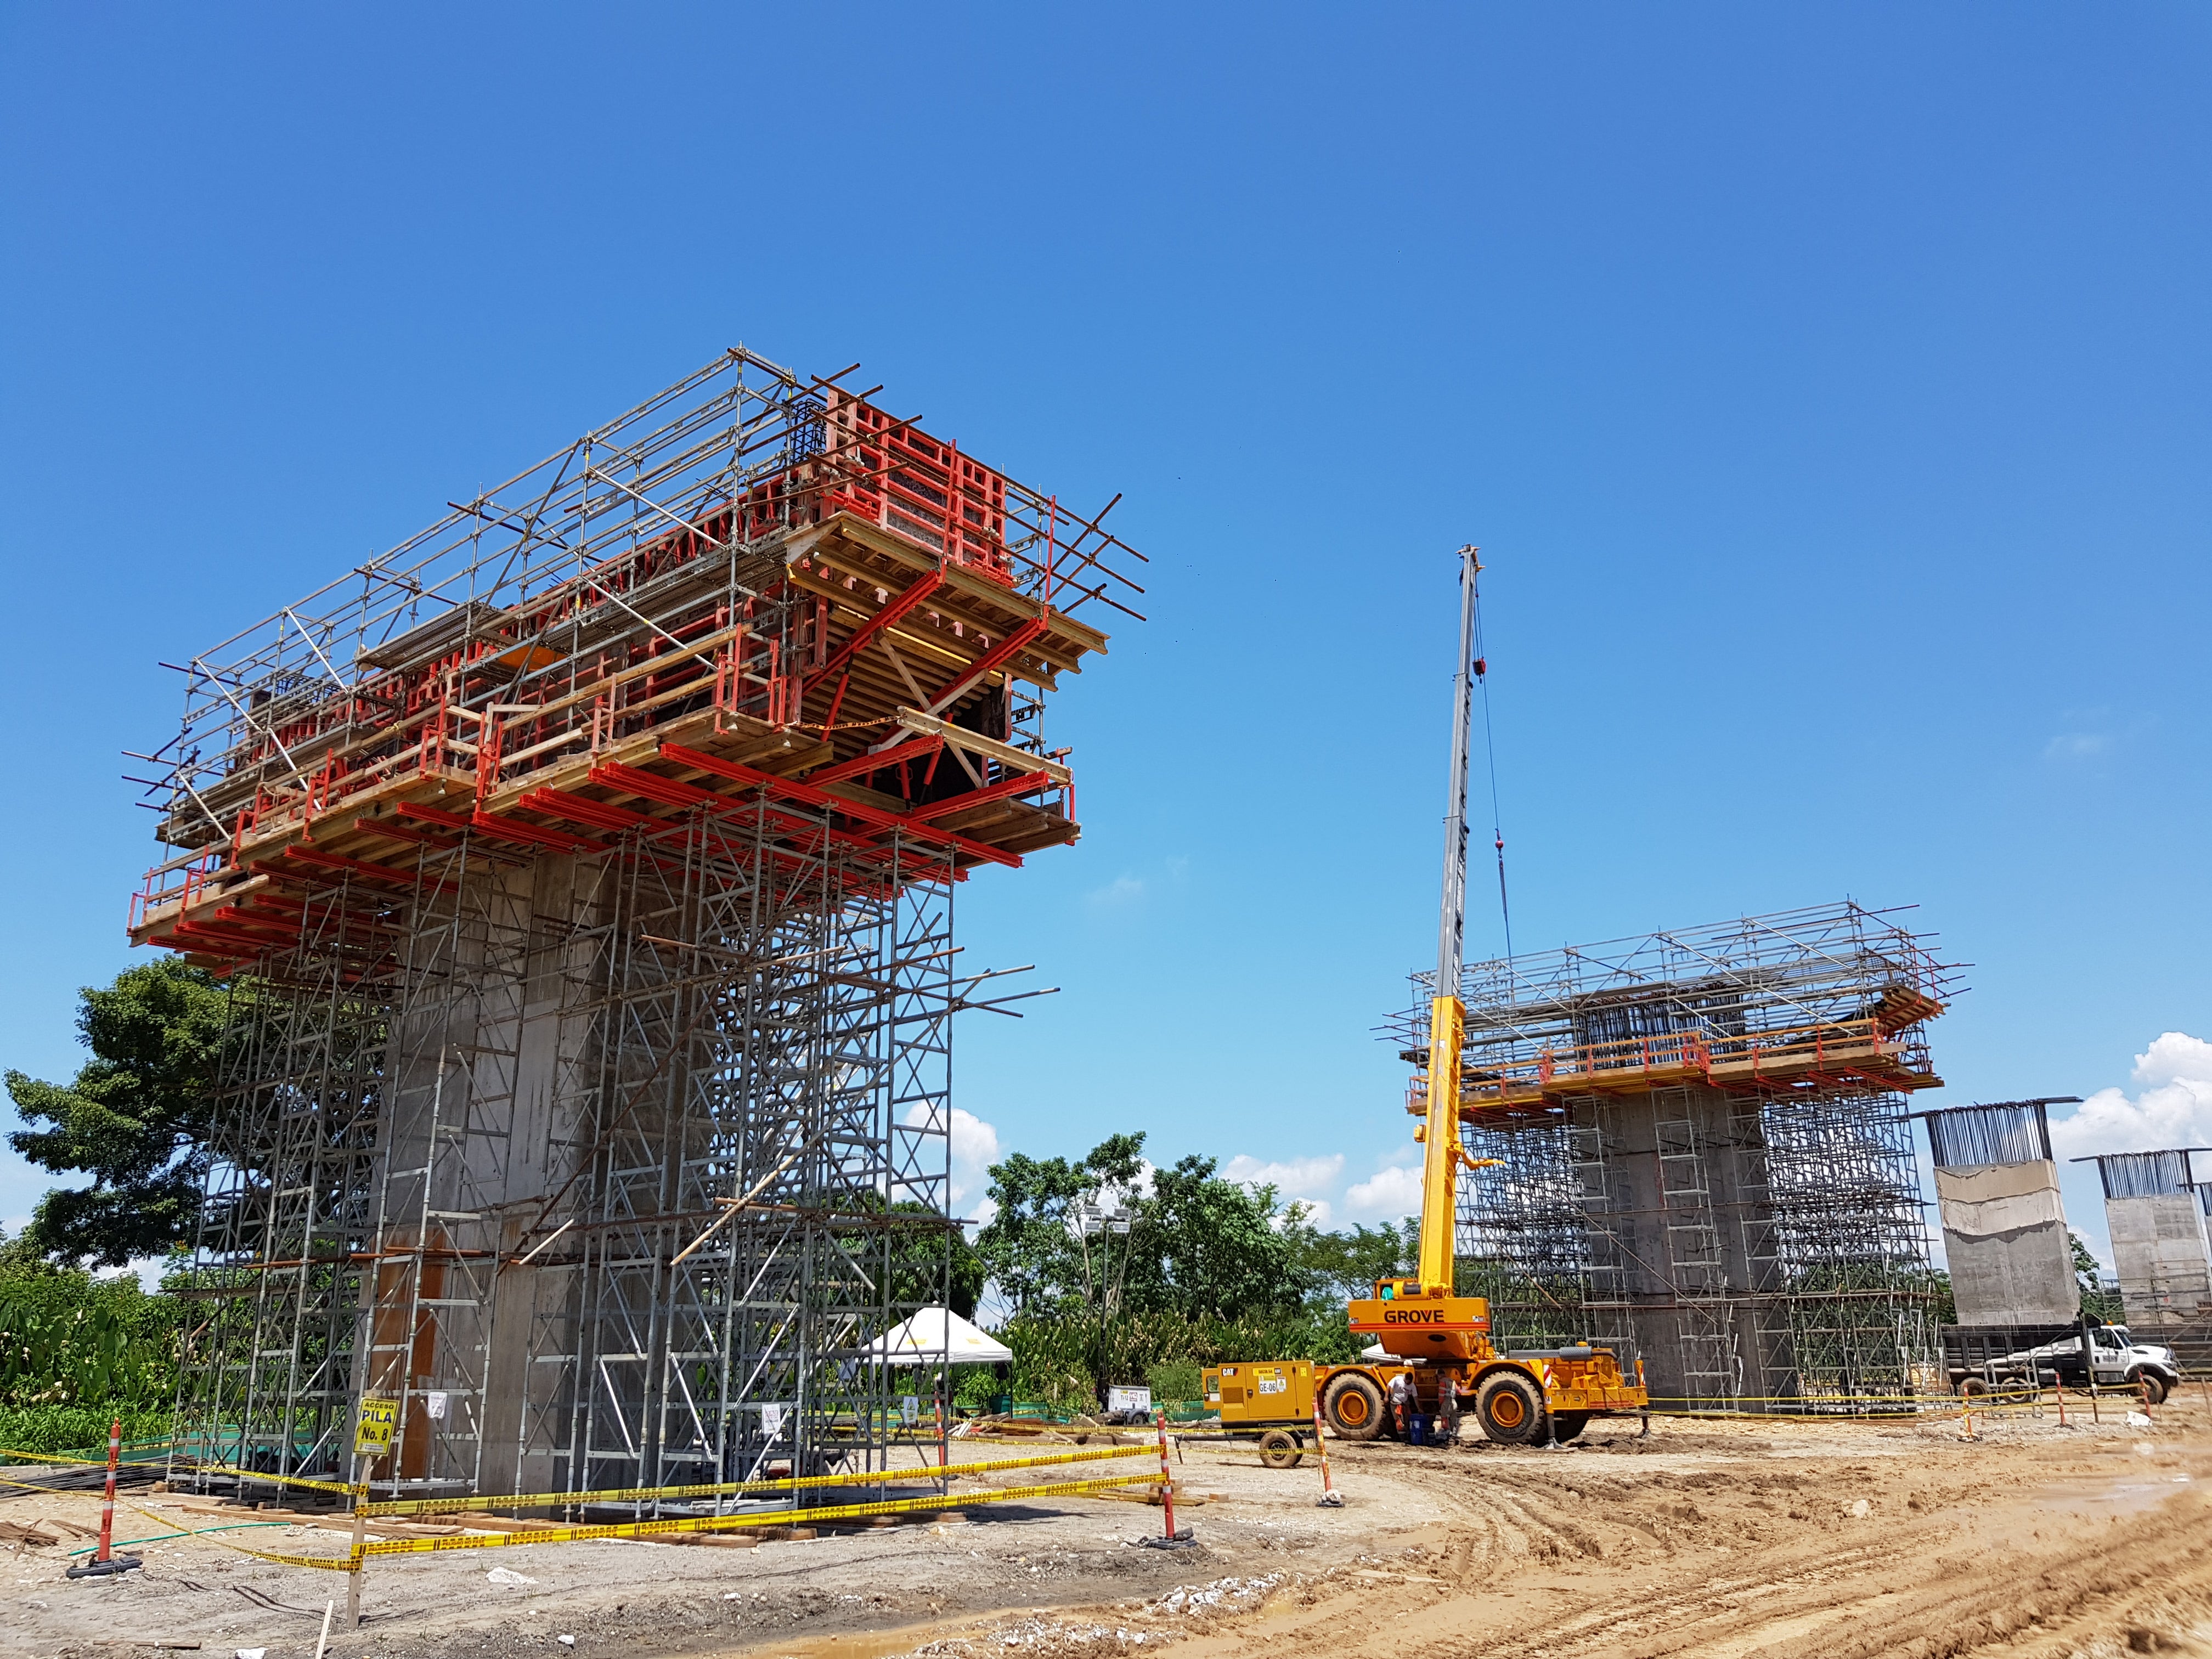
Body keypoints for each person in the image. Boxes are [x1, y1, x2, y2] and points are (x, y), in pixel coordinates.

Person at [1388, 1370, 1412, 1441]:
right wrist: (1388, 1396)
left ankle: (1406, 1436)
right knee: (1398, 1420)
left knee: (1406, 1419)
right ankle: (1402, 1438)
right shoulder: (1397, 1380)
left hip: (1404, 1404)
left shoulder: (1411, 1385)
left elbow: (1414, 1396)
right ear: (1406, 1379)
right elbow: (1389, 1387)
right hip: (1396, 1403)